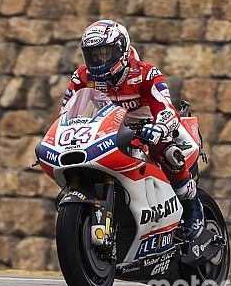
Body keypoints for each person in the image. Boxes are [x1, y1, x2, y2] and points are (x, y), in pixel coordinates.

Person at [62, 19, 215, 259]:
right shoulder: (82, 77)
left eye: (105, 53)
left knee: (169, 153)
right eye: (93, 55)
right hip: (110, 131)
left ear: (122, 49)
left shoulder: (144, 73)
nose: (99, 61)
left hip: (151, 128)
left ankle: (193, 209)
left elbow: (166, 107)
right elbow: (66, 111)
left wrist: (159, 127)